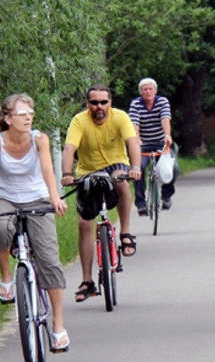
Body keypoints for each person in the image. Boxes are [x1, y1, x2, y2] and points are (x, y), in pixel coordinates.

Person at [0, 93, 70, 351]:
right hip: (6, 198)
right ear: (7, 119)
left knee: (49, 259)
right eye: (21, 114)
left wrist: (55, 198)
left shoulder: (40, 139)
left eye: (30, 113)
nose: (28, 118)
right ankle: (6, 277)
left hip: (37, 199)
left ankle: (58, 327)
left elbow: (48, 169)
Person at [60, 84, 142, 303]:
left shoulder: (120, 117)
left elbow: (132, 141)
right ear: (88, 104)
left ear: (110, 103)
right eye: (94, 102)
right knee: (84, 224)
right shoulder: (79, 121)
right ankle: (87, 281)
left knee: (121, 182)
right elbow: (69, 148)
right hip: (88, 171)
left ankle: (125, 233)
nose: (99, 107)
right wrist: (67, 173)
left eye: (103, 102)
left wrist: (135, 167)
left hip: (116, 165)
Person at [128, 77, 178, 215]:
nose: (148, 92)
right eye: (145, 90)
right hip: (143, 143)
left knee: (173, 168)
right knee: (138, 169)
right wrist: (136, 139)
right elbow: (134, 123)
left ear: (155, 91)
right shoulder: (136, 104)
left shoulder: (162, 101)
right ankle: (141, 203)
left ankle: (166, 196)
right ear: (141, 92)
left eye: (150, 89)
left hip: (161, 142)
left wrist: (167, 135)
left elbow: (165, 118)